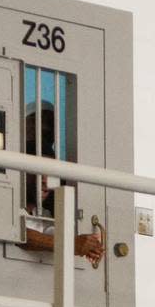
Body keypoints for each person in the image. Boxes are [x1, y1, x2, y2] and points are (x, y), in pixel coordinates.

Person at [21, 102, 104, 267]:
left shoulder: (43, 213)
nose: (46, 180)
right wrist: (71, 245)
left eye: (51, 173)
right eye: (39, 171)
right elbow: (19, 234)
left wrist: (89, 245)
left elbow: (52, 234)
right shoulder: (7, 205)